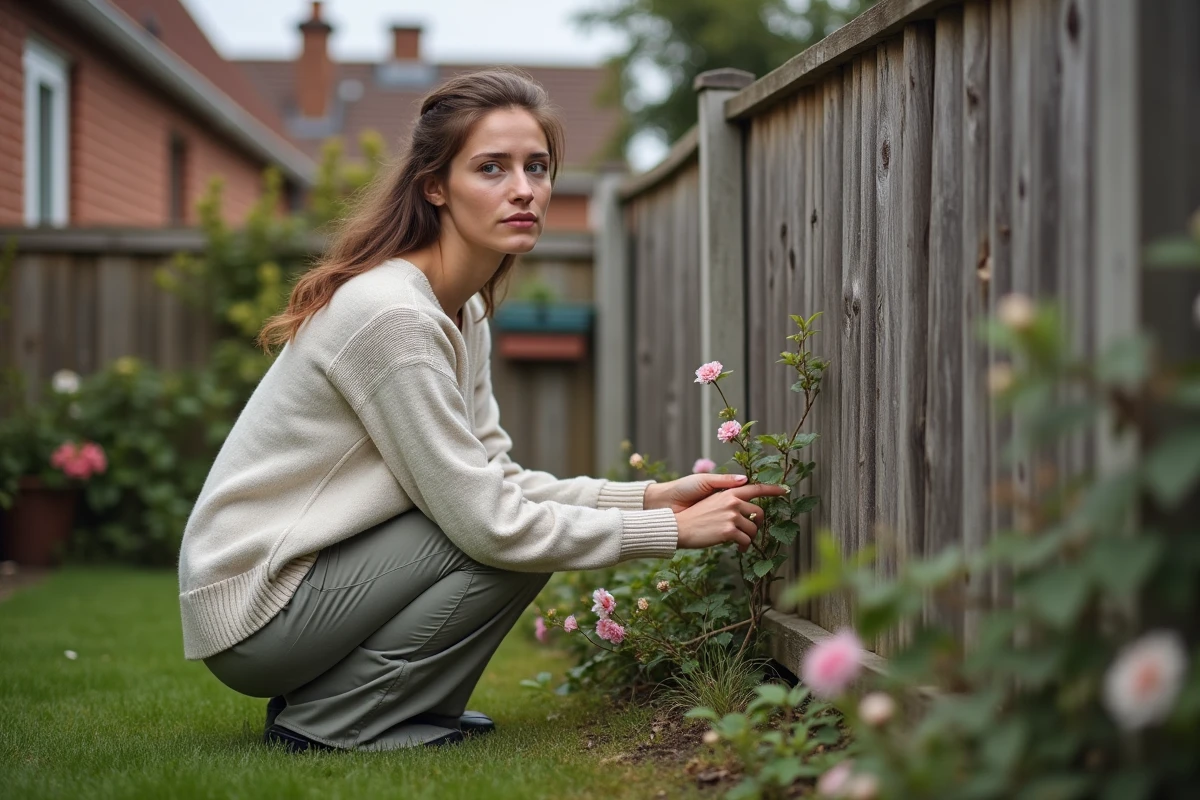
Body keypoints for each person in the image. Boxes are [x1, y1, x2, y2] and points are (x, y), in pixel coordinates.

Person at [177, 67, 784, 753]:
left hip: (303, 590)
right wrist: (671, 533)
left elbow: (495, 475)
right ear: (434, 185)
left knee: (506, 526)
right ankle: (332, 721)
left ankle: (389, 707)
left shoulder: (461, 310)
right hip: (258, 606)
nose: (524, 189)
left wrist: (650, 498)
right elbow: (489, 521)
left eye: (538, 167)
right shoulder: (393, 316)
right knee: (502, 540)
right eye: (492, 168)